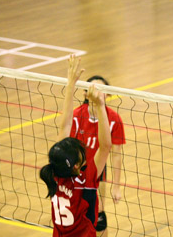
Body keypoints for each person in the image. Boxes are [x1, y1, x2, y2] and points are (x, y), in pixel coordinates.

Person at [59, 55, 126, 235]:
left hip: (97, 169)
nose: (97, 92)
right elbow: (64, 138)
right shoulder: (76, 116)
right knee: (76, 213)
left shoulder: (114, 119)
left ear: (107, 94)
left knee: (99, 213)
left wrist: (116, 185)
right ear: (85, 93)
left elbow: (116, 153)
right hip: (74, 170)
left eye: (101, 89)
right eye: (93, 89)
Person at [40, 82, 112, 237]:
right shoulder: (85, 180)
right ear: (77, 165)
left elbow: (64, 127)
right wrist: (100, 105)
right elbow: (105, 146)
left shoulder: (55, 174)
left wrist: (71, 83)